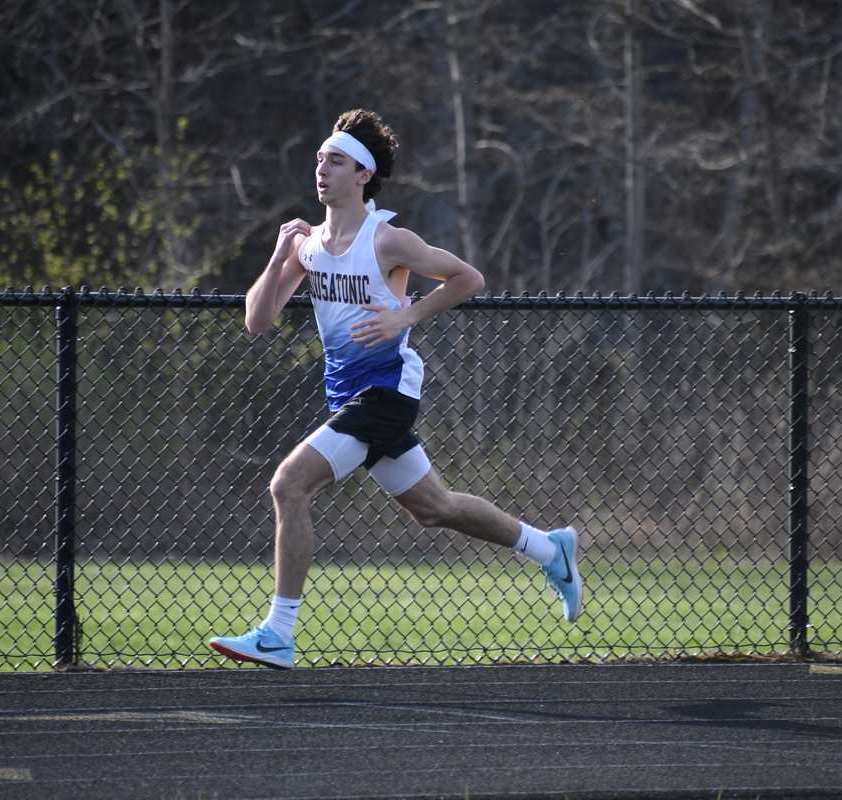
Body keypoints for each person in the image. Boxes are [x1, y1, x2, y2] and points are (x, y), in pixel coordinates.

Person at [209, 109, 582, 669]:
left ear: (362, 174)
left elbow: (468, 278)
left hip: (386, 392)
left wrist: (403, 319)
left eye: (335, 160)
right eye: (319, 159)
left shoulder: (388, 240)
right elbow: (257, 320)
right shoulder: (307, 246)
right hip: (348, 395)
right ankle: (549, 548)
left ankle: (277, 633)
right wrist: (278, 253)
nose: (322, 168)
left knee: (289, 485)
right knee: (434, 507)